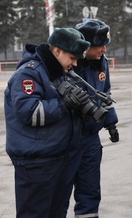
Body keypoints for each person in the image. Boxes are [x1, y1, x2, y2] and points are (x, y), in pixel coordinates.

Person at [5, 28, 91, 218]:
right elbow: (30, 113)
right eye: (72, 58)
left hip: (57, 156)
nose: (75, 64)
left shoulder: (57, 72)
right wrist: (64, 105)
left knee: (55, 213)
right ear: (58, 51)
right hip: (37, 162)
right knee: (35, 214)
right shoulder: (29, 74)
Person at [63, 19, 119, 218]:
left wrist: (110, 122)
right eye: (100, 45)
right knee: (59, 194)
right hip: (67, 138)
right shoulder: (67, 64)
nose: (104, 49)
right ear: (85, 45)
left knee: (90, 189)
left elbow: (105, 93)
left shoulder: (101, 62)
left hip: (90, 138)